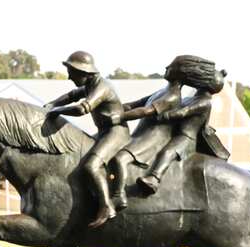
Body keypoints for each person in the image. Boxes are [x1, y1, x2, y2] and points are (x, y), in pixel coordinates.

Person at [45, 50, 128, 228]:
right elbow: (71, 96)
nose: (69, 77)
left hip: (116, 132)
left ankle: (107, 206)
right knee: (78, 157)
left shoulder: (102, 87)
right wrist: (52, 104)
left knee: (91, 165)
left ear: (84, 72)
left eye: (71, 73)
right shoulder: (90, 84)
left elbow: (83, 108)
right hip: (104, 132)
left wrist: (56, 112)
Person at [137, 61, 230, 195]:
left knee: (168, 152)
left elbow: (183, 112)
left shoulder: (204, 102)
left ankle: (154, 178)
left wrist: (163, 115)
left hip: (186, 138)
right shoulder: (190, 98)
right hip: (175, 133)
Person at [108, 57, 189, 211]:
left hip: (153, 138)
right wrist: (114, 107)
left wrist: (120, 117)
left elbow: (145, 111)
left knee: (119, 159)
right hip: (141, 133)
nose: (166, 67)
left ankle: (119, 196)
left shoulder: (172, 96)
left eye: (171, 66)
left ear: (180, 74)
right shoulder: (162, 91)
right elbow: (137, 103)